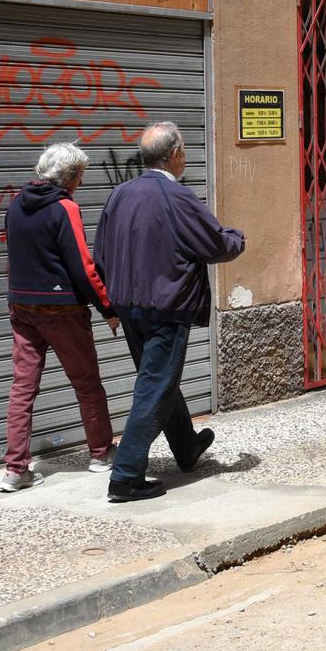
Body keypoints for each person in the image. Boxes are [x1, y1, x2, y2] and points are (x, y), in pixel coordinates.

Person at [97, 122, 246, 503]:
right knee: (155, 386)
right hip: (166, 306)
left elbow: (100, 255)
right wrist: (236, 237)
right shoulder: (177, 196)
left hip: (129, 307)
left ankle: (186, 447)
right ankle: (126, 476)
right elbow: (214, 245)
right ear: (176, 153)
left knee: (158, 379)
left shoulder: (119, 195)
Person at [0, 143, 118, 493]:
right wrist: (107, 308)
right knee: (87, 382)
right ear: (68, 177)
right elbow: (83, 267)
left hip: (21, 307)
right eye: (79, 176)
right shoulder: (66, 208)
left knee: (22, 388)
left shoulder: (15, 204)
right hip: (61, 308)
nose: (81, 182)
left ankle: (14, 470)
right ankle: (100, 453)